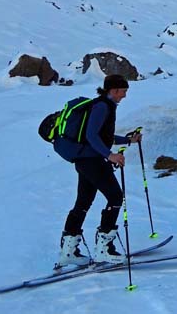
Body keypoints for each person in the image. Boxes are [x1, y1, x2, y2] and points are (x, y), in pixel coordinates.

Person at [58, 74, 143, 267]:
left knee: (83, 201)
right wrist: (110, 155)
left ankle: (68, 251)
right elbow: (91, 136)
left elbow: (103, 136)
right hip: (92, 161)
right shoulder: (102, 107)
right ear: (113, 90)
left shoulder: (102, 105)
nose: (124, 96)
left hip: (85, 160)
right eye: (123, 91)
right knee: (115, 196)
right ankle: (104, 250)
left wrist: (129, 140)